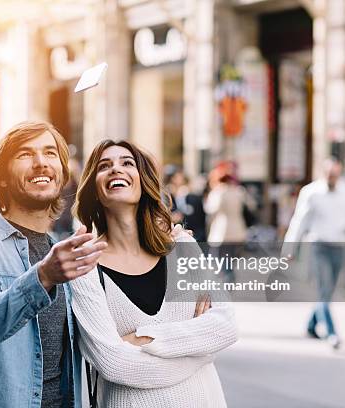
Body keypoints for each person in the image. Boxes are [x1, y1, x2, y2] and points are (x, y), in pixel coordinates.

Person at [0, 121, 107, 408]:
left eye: (50, 153)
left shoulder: (65, 250)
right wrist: (43, 277)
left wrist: (175, 251)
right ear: (2, 178)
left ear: (61, 175)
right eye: (25, 154)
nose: (41, 163)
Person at [70, 140, 237, 407]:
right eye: (104, 166)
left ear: (143, 180)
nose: (116, 169)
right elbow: (113, 364)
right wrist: (199, 350)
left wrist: (143, 338)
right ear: (94, 189)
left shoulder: (181, 247)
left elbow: (226, 325)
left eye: (127, 163)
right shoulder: (84, 267)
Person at [283, 158, 345, 349]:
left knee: (327, 291)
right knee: (324, 289)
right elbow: (299, 221)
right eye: (329, 174)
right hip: (318, 246)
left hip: (339, 246)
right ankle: (332, 333)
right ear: (323, 173)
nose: (332, 178)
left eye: (335, 175)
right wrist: (290, 248)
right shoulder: (311, 192)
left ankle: (311, 325)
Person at [204, 161, 256, 283]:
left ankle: (226, 282)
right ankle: (229, 279)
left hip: (222, 232)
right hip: (239, 231)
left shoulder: (218, 192)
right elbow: (252, 205)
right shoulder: (239, 191)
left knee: (220, 260)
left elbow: (211, 209)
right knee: (231, 260)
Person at [165, 168, 207, 242]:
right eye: (177, 177)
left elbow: (200, 219)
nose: (180, 179)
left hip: (192, 235)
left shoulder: (192, 197)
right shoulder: (165, 196)